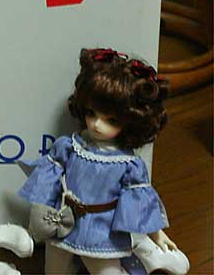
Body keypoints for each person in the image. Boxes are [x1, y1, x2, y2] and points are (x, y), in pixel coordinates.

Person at [17, 48, 189, 274]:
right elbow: (48, 183)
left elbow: (140, 205)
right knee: (55, 269)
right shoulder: (69, 146)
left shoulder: (128, 165)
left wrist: (157, 234)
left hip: (101, 230)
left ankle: (148, 257)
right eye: (91, 113)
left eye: (111, 120)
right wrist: (42, 213)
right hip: (64, 222)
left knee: (106, 270)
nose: (97, 125)